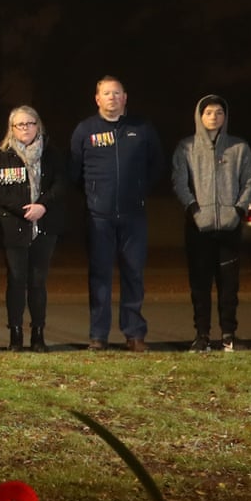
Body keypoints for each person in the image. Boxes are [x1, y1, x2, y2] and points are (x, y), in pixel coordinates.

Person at [68, 75, 165, 352]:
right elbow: (74, 171)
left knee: (134, 274)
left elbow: (156, 165)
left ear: (125, 97)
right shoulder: (85, 130)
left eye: (117, 93)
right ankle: (98, 336)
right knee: (100, 276)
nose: (112, 98)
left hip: (134, 216)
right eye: (106, 93)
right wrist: (95, 196)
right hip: (100, 217)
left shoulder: (142, 128)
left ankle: (134, 334)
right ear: (97, 99)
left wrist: (138, 190)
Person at [170, 95, 251, 352]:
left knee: (229, 284)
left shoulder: (238, 147)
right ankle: (202, 335)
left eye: (219, 112)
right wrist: (194, 209)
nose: (214, 117)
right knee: (200, 283)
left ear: (225, 117)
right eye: (208, 112)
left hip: (229, 227)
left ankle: (228, 333)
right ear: (200, 115)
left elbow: (250, 179)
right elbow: (178, 181)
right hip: (198, 227)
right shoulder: (186, 147)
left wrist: (239, 209)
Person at [0, 106, 66, 353]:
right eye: (19, 124)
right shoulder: (1, 155)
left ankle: (38, 334)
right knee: (17, 280)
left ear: (38, 125)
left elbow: (61, 183)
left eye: (30, 123)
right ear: (11, 129)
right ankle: (16, 334)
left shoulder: (51, 154)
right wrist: (23, 209)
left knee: (38, 281)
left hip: (44, 225)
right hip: (14, 226)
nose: (25, 128)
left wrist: (42, 205)